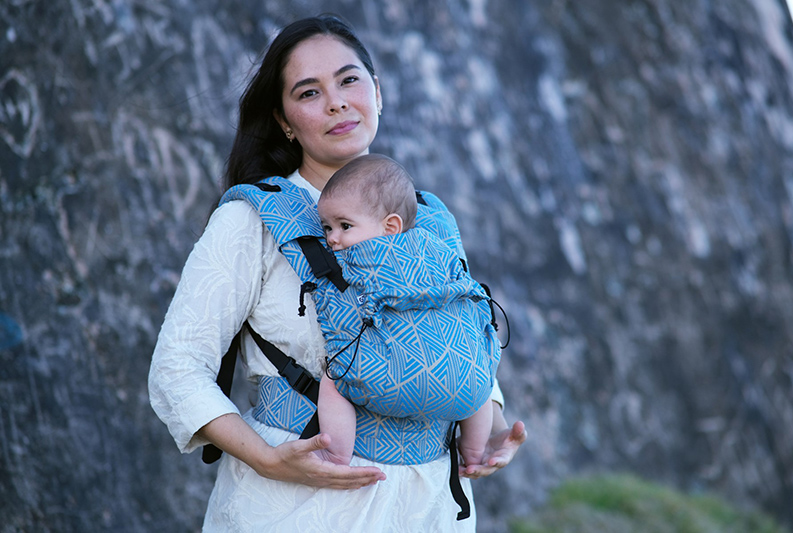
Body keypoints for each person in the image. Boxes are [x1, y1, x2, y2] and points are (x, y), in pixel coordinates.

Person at [148, 14, 526, 532]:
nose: (336, 102)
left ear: (378, 90)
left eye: (349, 80)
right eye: (308, 92)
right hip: (299, 505)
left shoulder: (426, 214)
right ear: (284, 120)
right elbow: (177, 368)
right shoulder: (250, 220)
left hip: (430, 505)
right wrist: (265, 459)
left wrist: (492, 423)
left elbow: (454, 336)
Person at [314, 153, 496, 468]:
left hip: (388, 381)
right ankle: (475, 451)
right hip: (463, 382)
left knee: (334, 376)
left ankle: (336, 452)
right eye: (327, 227)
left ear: (391, 227)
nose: (332, 238)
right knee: (479, 371)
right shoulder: (440, 247)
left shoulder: (359, 258)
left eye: (345, 225)